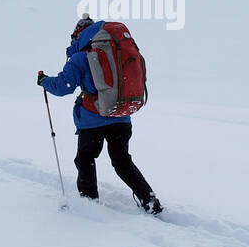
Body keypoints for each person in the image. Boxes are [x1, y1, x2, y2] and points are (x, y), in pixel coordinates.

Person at [38, 14, 162, 214]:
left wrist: (44, 81)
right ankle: (149, 200)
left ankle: (89, 204)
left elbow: (64, 87)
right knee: (122, 161)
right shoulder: (120, 50)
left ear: (79, 36)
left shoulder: (81, 57)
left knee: (85, 158)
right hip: (121, 115)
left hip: (92, 120)